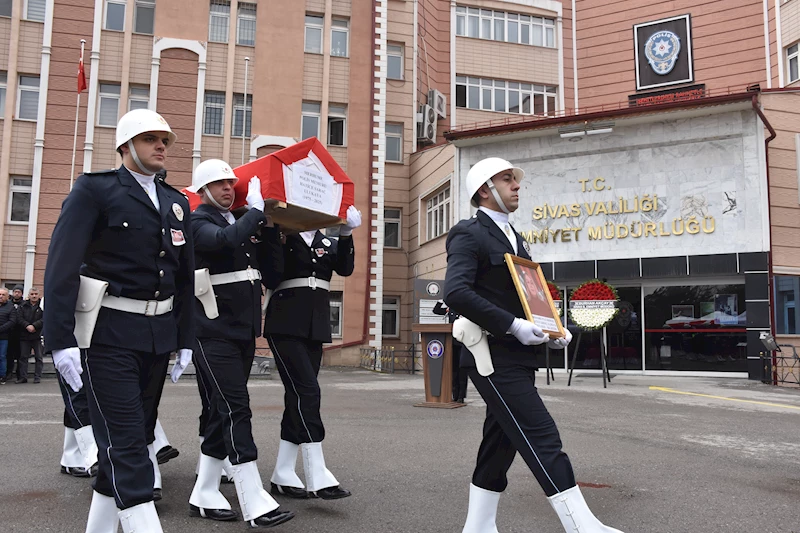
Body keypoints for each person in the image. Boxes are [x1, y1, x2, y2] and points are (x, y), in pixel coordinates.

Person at [443, 157, 624, 533]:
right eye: (506, 179)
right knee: (540, 433)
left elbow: (528, 296)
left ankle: (477, 527)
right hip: (489, 354)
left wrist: (551, 330)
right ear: (483, 189)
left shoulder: (516, 238)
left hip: (518, 355)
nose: (516, 185)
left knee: (501, 441)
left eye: (515, 179)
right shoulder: (468, 233)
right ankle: (581, 526)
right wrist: (512, 325)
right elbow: (456, 291)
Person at [43, 108, 195, 533]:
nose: (161, 146)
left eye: (165, 139)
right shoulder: (96, 191)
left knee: (131, 439)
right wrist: (60, 339)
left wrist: (185, 338)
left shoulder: (176, 201)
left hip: (157, 336)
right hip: (106, 336)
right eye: (150, 139)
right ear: (126, 147)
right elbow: (61, 266)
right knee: (129, 447)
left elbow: (184, 278)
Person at [186, 158, 294, 527]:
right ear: (202, 190)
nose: (228, 188)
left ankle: (203, 492)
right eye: (218, 184)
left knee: (222, 410)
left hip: (242, 331)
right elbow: (221, 242)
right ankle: (252, 496)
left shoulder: (242, 222)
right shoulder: (199, 221)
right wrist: (255, 216)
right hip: (211, 331)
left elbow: (272, 273)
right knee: (237, 408)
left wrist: (272, 230)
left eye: (231, 183)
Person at [264, 206, 361, 500]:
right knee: (308, 392)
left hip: (315, 327)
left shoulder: (326, 240)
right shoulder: (281, 235)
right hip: (285, 324)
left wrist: (346, 234)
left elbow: (344, 268)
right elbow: (272, 276)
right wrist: (272, 233)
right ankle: (316, 472)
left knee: (297, 397)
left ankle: (282, 472)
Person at [433, 300, 468, 403]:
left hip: (463, 343)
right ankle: (455, 395)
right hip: (451, 343)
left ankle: (461, 396)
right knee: (453, 370)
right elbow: (436, 311)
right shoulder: (451, 309)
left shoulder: (466, 309)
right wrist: (441, 301)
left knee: (462, 370)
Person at [16, 287, 44, 384]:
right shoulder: (22, 306)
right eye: (32, 294)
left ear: (39, 295)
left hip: (38, 335)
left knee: (39, 357)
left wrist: (34, 326)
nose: (34, 296)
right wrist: (27, 325)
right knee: (23, 357)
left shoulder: (43, 306)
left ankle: (37, 377)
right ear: (29, 295)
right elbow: (19, 318)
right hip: (25, 335)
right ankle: (23, 377)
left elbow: (45, 318)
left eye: (36, 294)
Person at [6, 285, 24, 381]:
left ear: (21, 293)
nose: (16, 293)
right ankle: (9, 373)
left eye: (19, 292)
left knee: (20, 355)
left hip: (21, 333)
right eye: (15, 292)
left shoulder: (24, 304)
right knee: (9, 355)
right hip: (10, 333)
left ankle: (19, 374)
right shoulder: (8, 304)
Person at [0, 288, 17, 384]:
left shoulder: (11, 307)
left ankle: (2, 376)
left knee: (2, 356)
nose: (1, 296)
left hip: (4, 337)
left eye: (3, 295)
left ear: (7, 297)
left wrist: (1, 329)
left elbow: (12, 321)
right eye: (0, 294)